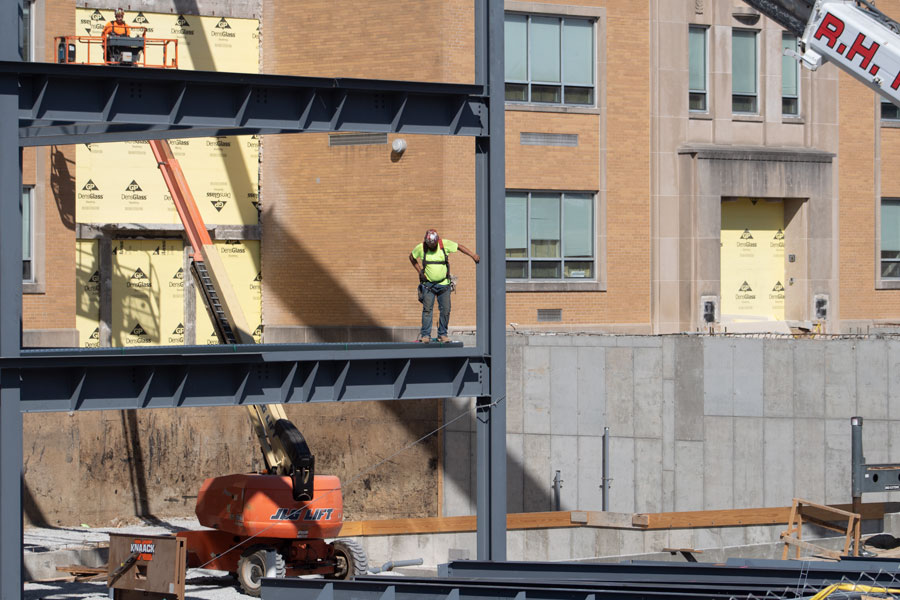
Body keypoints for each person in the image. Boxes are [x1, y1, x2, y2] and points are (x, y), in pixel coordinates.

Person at [409, 229, 479, 343]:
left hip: (444, 285)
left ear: (437, 241)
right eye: (429, 244)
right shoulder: (421, 247)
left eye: (433, 245)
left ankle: (442, 334)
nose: (431, 247)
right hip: (428, 286)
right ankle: (425, 335)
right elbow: (411, 257)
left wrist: (473, 255)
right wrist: (420, 272)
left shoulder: (444, 244)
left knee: (445, 310)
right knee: (427, 310)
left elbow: (459, 247)